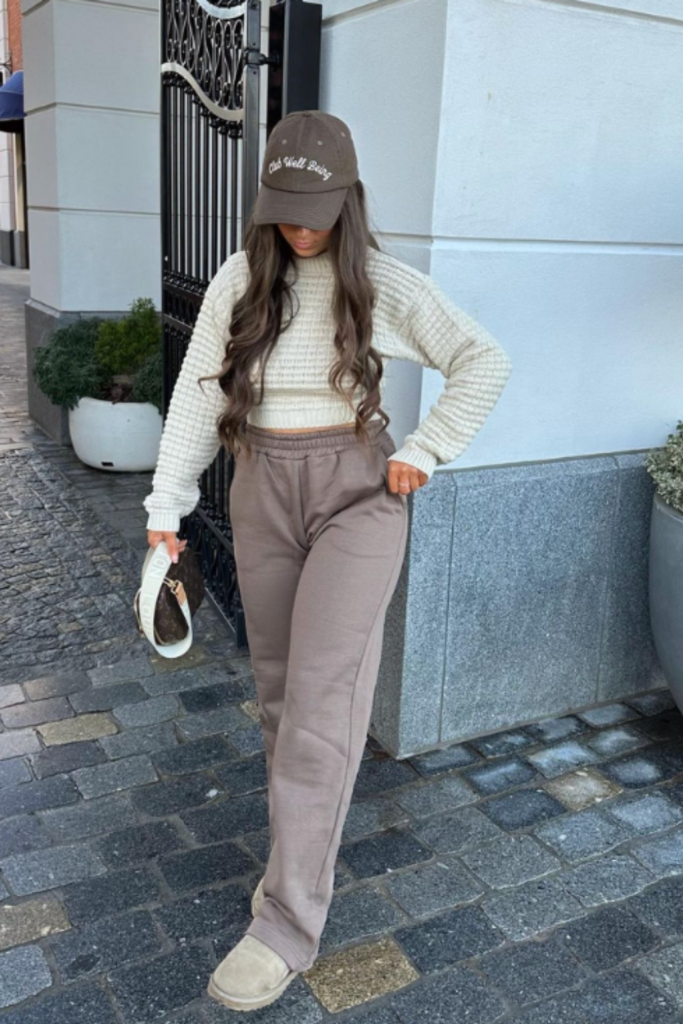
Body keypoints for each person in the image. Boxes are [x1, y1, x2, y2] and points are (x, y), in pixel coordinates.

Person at [143, 109, 512, 1012]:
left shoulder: (379, 284)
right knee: (278, 696)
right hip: (260, 490)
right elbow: (197, 398)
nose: (300, 229)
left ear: (347, 201)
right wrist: (165, 510)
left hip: (357, 499)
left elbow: (483, 359)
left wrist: (424, 449)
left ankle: (286, 922)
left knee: (320, 702)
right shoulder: (239, 282)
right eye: (285, 211)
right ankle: (296, 863)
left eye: (315, 212)